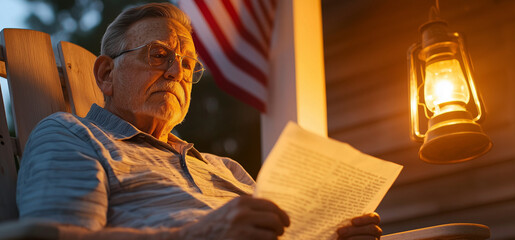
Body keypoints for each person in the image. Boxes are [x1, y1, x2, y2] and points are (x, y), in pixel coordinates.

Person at [16, 2, 382, 239]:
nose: (177, 71)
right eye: (159, 55)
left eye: (189, 64)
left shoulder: (228, 170)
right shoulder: (71, 135)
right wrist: (198, 235)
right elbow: (59, 235)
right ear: (107, 74)